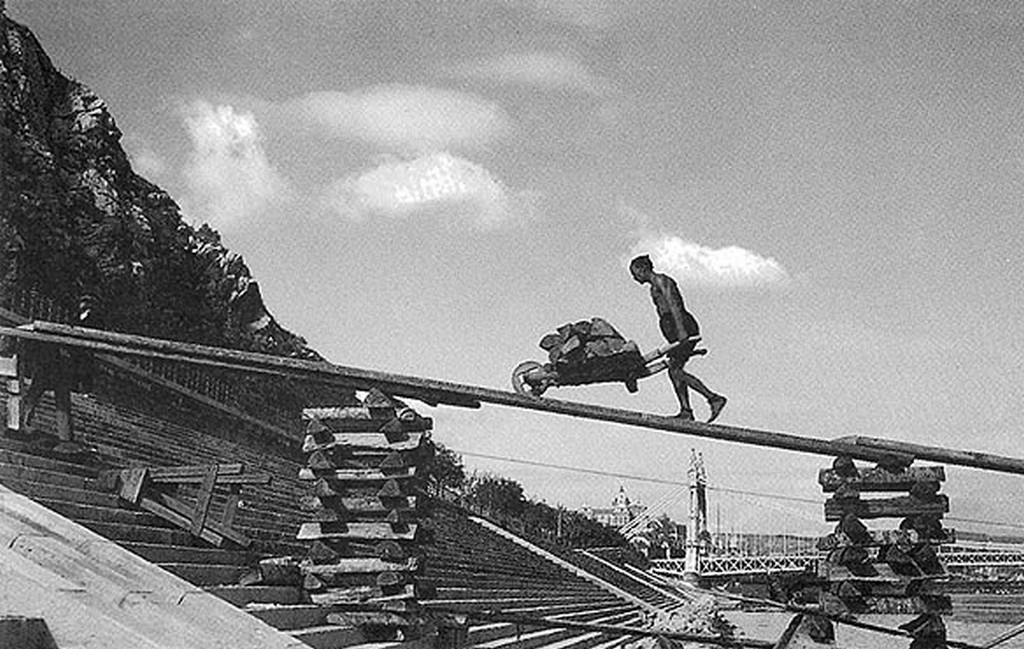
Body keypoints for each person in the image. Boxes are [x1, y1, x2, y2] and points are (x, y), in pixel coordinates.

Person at [629, 254, 727, 422]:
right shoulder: (653, 287)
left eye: (634, 272)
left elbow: (674, 305)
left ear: (641, 269)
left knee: (675, 370)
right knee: (674, 370)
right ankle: (686, 411)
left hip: (681, 325)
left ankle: (713, 398)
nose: (634, 277)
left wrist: (681, 331)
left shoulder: (662, 280)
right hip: (672, 327)